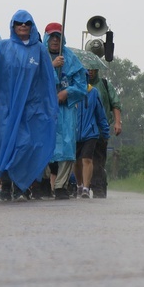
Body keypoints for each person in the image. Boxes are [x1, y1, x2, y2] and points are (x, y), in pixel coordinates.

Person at [0, 10, 57, 202]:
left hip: (30, 108)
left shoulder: (39, 50)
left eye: (27, 23)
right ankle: (6, 185)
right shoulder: (3, 48)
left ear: (32, 26)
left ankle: (21, 186)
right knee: (6, 144)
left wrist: (49, 106)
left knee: (25, 145)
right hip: (5, 107)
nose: (23, 26)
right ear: (13, 26)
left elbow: (47, 80)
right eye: (19, 23)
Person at [44, 22, 88, 200]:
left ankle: (61, 185)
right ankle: (44, 182)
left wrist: (67, 92)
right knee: (43, 144)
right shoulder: (39, 56)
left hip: (65, 111)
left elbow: (81, 86)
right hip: (44, 109)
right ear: (46, 37)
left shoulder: (71, 59)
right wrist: (51, 67)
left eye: (58, 37)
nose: (55, 40)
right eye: (52, 36)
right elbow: (31, 80)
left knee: (67, 146)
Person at [88, 68, 122, 198]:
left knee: (98, 160)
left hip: (101, 129)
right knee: (81, 159)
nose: (90, 71)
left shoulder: (104, 85)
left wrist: (118, 122)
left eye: (93, 69)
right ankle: (79, 186)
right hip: (82, 129)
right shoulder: (78, 83)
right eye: (87, 69)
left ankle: (98, 187)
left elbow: (116, 104)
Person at [74, 79, 110, 199]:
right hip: (74, 133)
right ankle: (79, 185)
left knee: (87, 159)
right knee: (76, 162)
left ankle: (86, 188)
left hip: (90, 133)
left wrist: (105, 131)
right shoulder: (71, 92)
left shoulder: (93, 92)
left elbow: (100, 114)